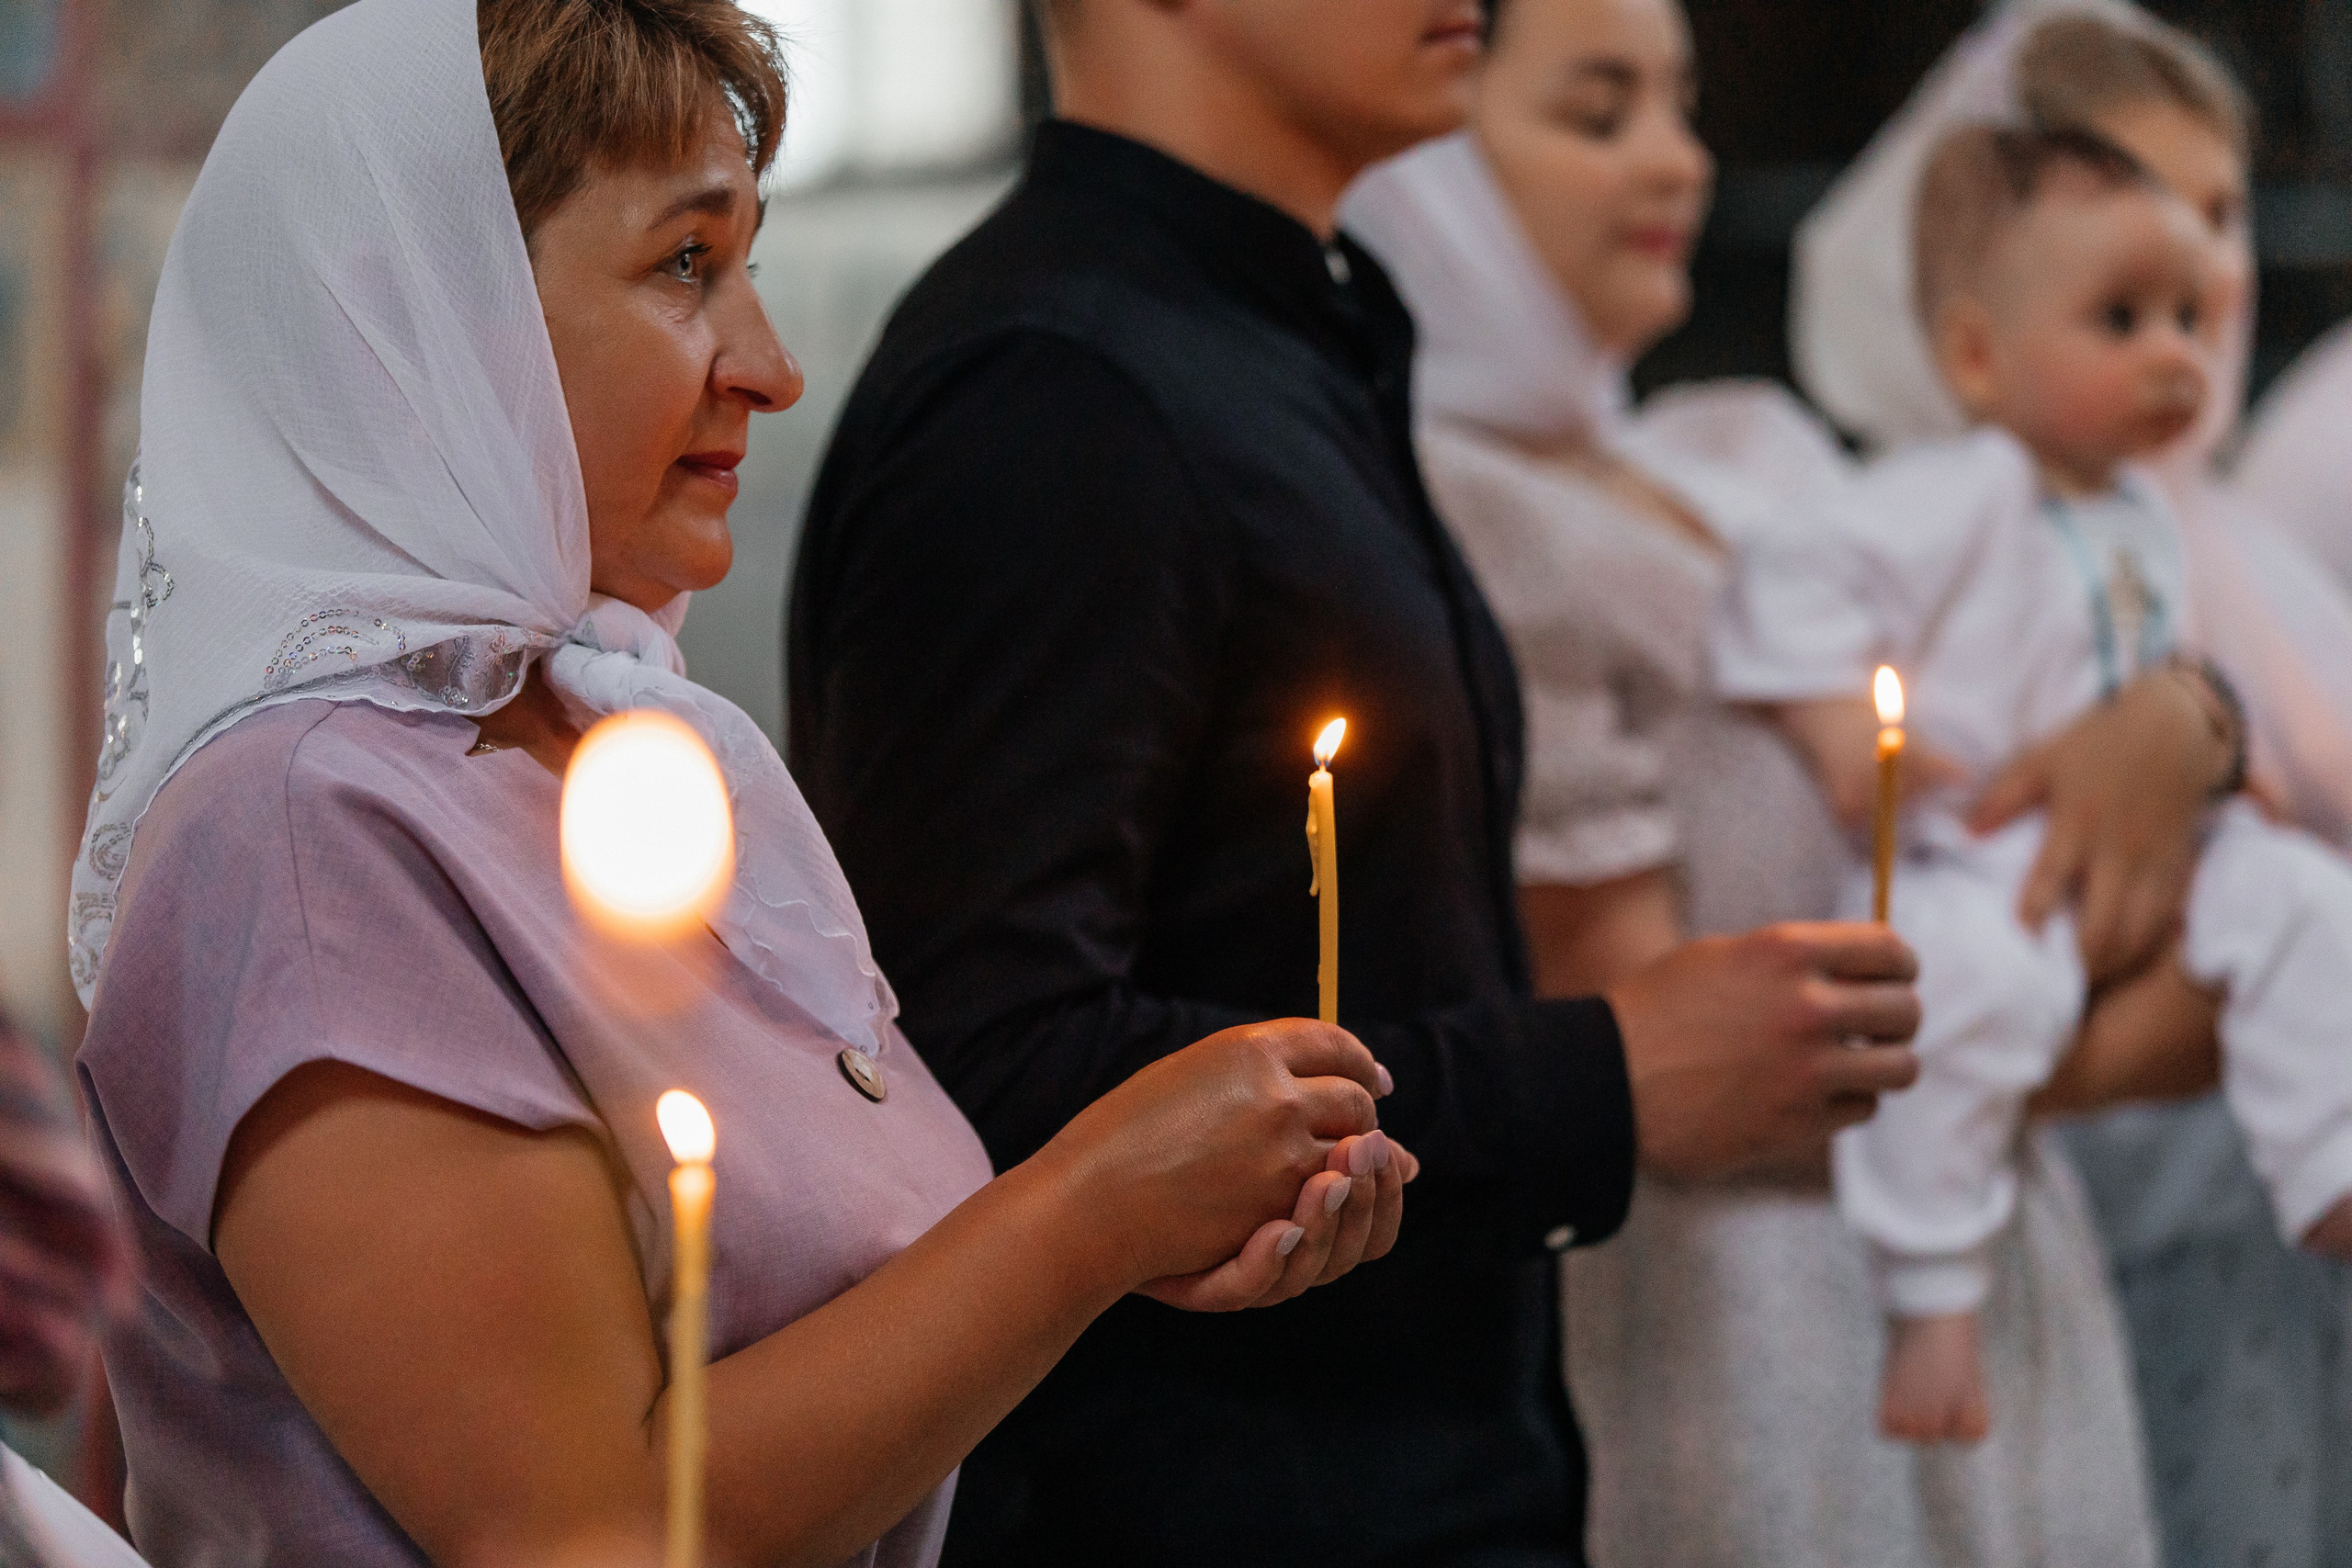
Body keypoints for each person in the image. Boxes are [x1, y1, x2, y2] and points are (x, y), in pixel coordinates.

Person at [70, 2, 1417, 1564]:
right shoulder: (305, 835)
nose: (769, 368)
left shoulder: (594, 746)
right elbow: (594, 1531)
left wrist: (1165, 1219)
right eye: (686, 266)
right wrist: (1093, 1212)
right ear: (431, 317)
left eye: (749, 261)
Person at [787, 1, 1922, 1563]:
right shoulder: (1054, 390)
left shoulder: (1292, 323)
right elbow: (972, 1063)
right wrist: (1600, 1078)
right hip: (1204, 1502)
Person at [1343, 2, 2241, 1562]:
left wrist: (2184, 716)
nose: (1676, 160)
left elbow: (2029, 670)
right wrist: (2107, 1039)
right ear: (1432, 160)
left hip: (1989, 1234)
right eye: (1599, 110)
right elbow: (1654, 1046)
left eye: (1682, 105)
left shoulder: (1740, 443)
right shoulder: (1459, 517)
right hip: (1766, 1316)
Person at [1794, 9, 2352, 1562]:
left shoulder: (2214, 535)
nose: (2198, 278)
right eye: (2141, 224)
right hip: (2105, 1192)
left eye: (2224, 217)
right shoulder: (1948, 521)